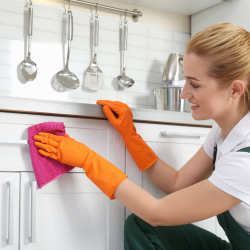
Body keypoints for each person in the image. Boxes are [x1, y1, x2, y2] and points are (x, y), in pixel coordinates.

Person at [34, 22, 250, 249]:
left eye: (194, 84)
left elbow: (156, 212)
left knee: (150, 219)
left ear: (235, 90)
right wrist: (131, 136)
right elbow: (177, 184)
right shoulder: (223, 133)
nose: (184, 93)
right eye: (186, 79)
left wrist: (89, 161)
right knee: (142, 227)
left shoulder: (245, 161)